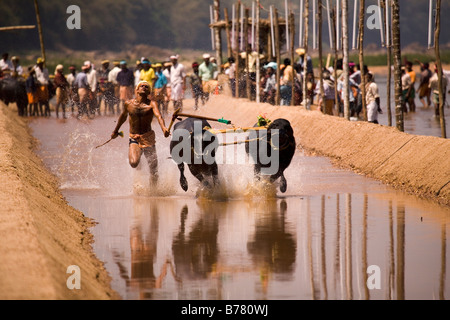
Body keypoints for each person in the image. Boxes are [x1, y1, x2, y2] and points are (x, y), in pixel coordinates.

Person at [110, 80, 170, 186]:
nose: (144, 87)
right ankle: (139, 166)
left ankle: (153, 191)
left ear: (149, 92)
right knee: (134, 163)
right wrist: (115, 131)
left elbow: (159, 116)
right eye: (141, 86)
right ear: (136, 90)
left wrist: (164, 128)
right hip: (134, 137)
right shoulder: (128, 104)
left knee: (153, 170)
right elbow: (123, 117)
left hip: (148, 138)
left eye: (146, 87)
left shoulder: (152, 104)